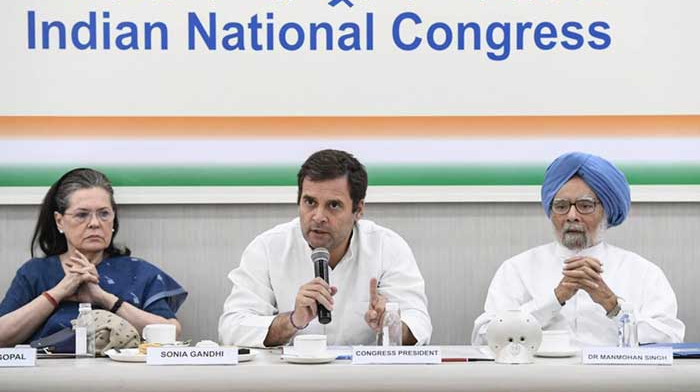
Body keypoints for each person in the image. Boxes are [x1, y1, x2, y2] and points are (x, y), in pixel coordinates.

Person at [219, 149, 432, 347]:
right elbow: (231, 327)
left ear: (358, 210)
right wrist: (292, 321)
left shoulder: (387, 247)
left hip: (363, 374)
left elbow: (419, 323)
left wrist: (390, 324)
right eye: (310, 202)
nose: (319, 217)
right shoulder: (267, 248)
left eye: (333, 205)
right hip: (289, 373)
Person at [472, 152, 685, 346]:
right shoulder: (517, 269)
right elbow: (482, 337)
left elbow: (671, 338)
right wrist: (554, 299)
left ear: (607, 211)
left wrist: (612, 304)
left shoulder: (643, 272)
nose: (572, 216)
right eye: (561, 206)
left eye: (585, 205)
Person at [0, 168, 187, 347]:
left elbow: (172, 332)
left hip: (121, 369)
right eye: (82, 215)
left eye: (104, 214)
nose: (95, 223)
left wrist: (104, 298)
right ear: (59, 221)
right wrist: (59, 292)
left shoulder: (138, 272)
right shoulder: (36, 272)